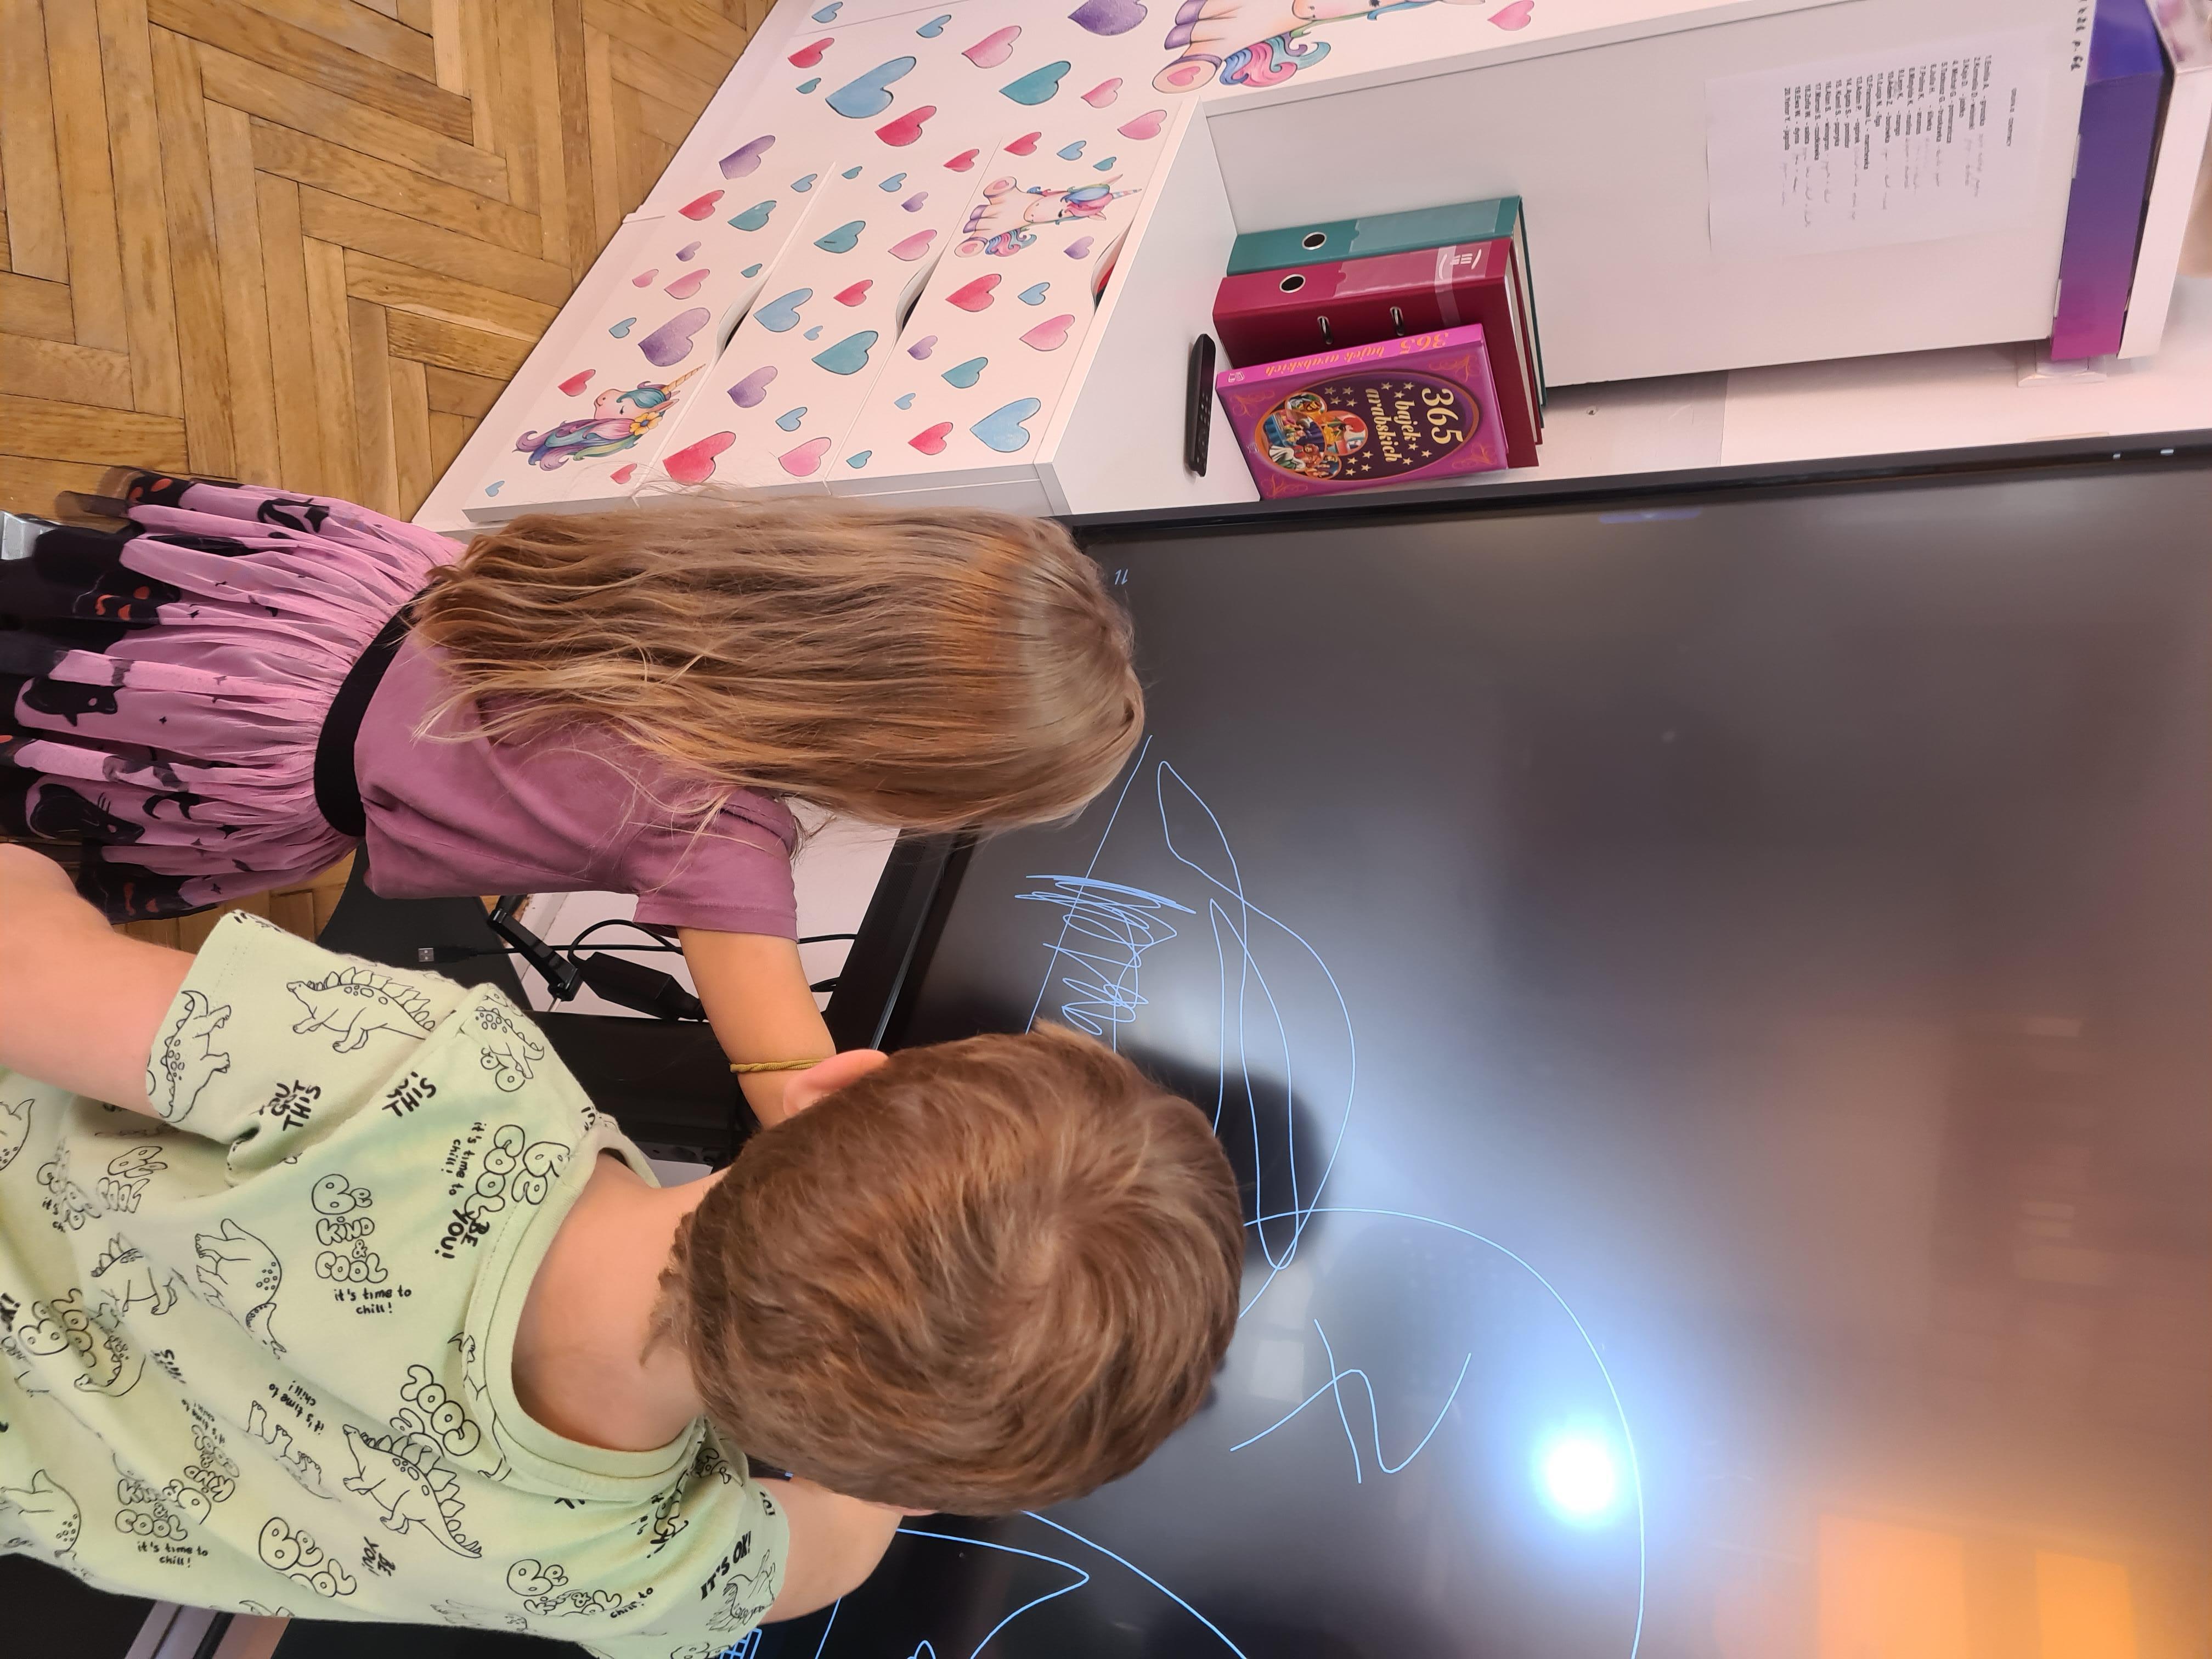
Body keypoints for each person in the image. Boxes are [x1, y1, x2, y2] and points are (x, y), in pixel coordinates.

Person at [0, 844, 1243, 1654]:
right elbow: (834, 1552)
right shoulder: (645, 1568)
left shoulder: (439, 1082)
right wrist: (903, 1453)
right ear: (899, 1474)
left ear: (832, 1082)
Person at [0, 474, 1143, 1121]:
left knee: (52, 609)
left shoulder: (672, 571)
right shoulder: (720, 832)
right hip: (235, 745)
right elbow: (787, 1082)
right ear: (900, 771)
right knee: (48, 752)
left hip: (319, 596)